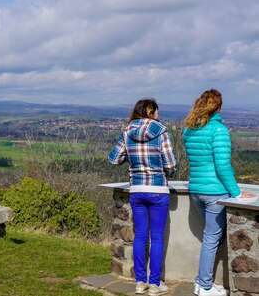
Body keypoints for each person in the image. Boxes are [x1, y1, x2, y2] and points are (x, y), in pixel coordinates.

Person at [183, 89, 254, 296]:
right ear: (218, 107)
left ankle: (202, 282)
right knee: (212, 237)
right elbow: (222, 166)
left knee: (213, 235)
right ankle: (204, 285)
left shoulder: (189, 130)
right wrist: (237, 193)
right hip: (215, 192)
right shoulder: (219, 130)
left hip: (195, 190)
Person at [109, 98, 176, 296]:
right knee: (156, 238)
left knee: (140, 237)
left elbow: (114, 159)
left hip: (137, 190)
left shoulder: (127, 131)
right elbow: (170, 165)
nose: (158, 115)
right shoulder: (161, 131)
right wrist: (164, 172)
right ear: (150, 111)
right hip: (157, 190)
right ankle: (154, 284)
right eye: (156, 112)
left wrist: (130, 158)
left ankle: (140, 282)